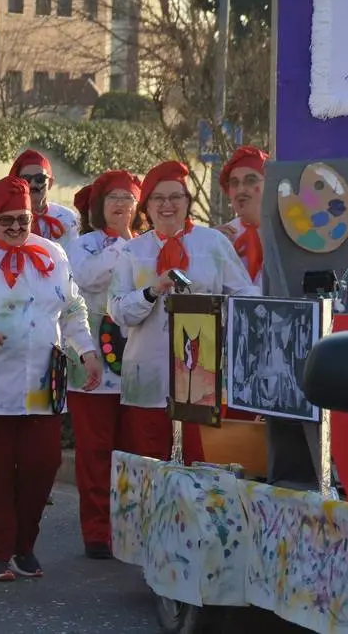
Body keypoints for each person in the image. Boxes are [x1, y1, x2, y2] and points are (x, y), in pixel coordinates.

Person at [0, 176, 100, 582]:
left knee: (41, 467)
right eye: (6, 221)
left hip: (40, 383)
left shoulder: (52, 255)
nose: (15, 228)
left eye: (23, 220)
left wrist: (86, 350)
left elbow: (72, 308)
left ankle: (23, 546)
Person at [108, 161, 258, 464]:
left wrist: (213, 310)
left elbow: (245, 297)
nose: (167, 205)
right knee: (151, 467)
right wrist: (152, 291)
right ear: (146, 206)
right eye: (158, 198)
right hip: (147, 377)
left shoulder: (212, 243)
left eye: (176, 197)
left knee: (200, 465)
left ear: (187, 202)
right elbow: (118, 312)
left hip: (201, 377)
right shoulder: (132, 252)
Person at [66, 170, 146, 560]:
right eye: (113, 198)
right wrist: (126, 246)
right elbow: (87, 277)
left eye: (128, 198)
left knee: (135, 450)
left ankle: (132, 530)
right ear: (99, 206)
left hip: (140, 363)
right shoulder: (83, 246)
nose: (121, 205)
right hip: (91, 360)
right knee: (95, 450)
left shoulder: (151, 245)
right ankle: (97, 530)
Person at [8, 149, 79, 252]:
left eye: (40, 179)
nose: (32, 184)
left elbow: (75, 258)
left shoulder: (68, 218)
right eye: (26, 179)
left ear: (50, 183)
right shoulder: (7, 220)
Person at [216, 146, 268, 287]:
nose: (240, 190)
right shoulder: (221, 238)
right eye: (234, 183)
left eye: (250, 181)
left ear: (270, 183)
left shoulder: (288, 233)